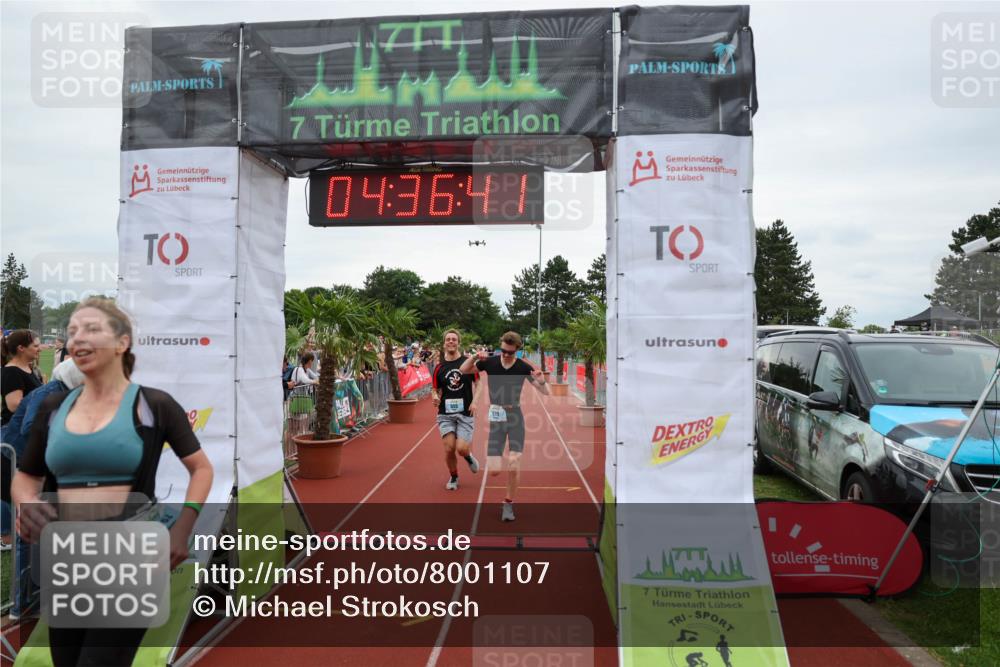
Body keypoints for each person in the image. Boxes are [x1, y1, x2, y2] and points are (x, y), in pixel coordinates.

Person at [11, 297, 213, 666]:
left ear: (122, 343)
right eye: (73, 332)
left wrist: (184, 526)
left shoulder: (155, 405)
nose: (77, 340)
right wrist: (27, 502)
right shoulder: (53, 409)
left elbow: (201, 468)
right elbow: (25, 477)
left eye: (91, 329)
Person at [0, 358, 85, 620]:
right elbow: (32, 429)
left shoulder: (65, 391)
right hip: (20, 465)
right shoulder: (52, 393)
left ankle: (38, 594)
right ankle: (22, 603)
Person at [459, 331, 549, 521]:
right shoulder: (490, 363)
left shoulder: (523, 367)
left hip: (515, 416)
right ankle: (473, 459)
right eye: (503, 351)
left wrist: (542, 381)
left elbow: (546, 392)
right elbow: (464, 370)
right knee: (494, 471)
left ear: (517, 350)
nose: (506, 355)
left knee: (515, 462)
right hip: (497, 418)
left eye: (510, 352)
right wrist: (475, 356)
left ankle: (508, 504)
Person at [2, 329, 42, 552]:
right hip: (12, 433)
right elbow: (14, 405)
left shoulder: (30, 368)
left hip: (27, 433)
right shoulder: (11, 372)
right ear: (21, 348)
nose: (39, 349)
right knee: (9, 486)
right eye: (35, 345)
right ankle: (5, 536)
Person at [432, 330, 481, 490]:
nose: (451, 342)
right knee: (449, 448)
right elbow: (435, 389)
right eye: (448, 339)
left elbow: (479, 384)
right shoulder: (439, 368)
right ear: (444, 343)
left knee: (461, 449)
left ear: (458, 342)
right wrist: (434, 396)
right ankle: (453, 476)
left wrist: (475, 402)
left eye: (454, 339)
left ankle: (468, 456)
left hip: (465, 412)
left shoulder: (467, 363)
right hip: (445, 414)